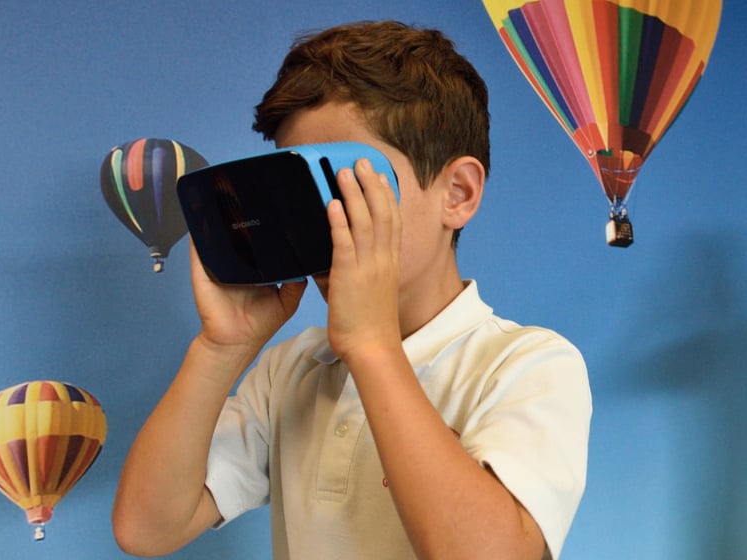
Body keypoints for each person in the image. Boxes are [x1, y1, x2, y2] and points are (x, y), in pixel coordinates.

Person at [112, 21, 592, 560]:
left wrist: (373, 348)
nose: (317, 221)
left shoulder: (526, 365)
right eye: (296, 193)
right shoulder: (291, 371)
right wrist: (220, 349)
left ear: (457, 193)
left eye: (343, 185)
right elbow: (145, 529)